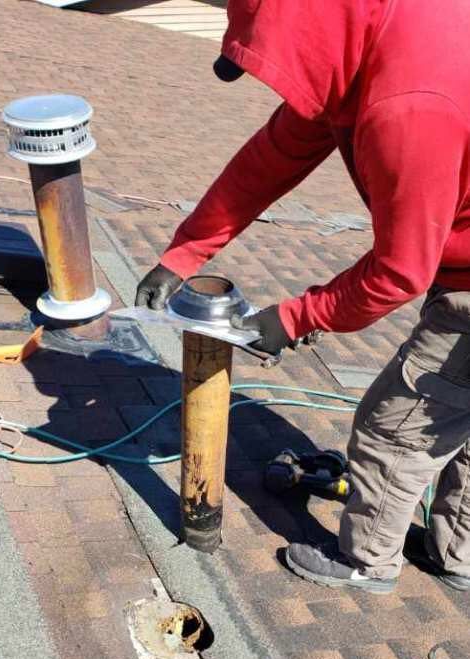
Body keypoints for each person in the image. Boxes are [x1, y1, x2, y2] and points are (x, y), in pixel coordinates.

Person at [136, 0, 470, 595]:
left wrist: (295, 317)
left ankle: (367, 561)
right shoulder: (362, 35)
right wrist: (184, 252)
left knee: (398, 426)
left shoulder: (408, 107)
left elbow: (400, 270)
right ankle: (457, 554)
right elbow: (271, 157)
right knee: (459, 418)